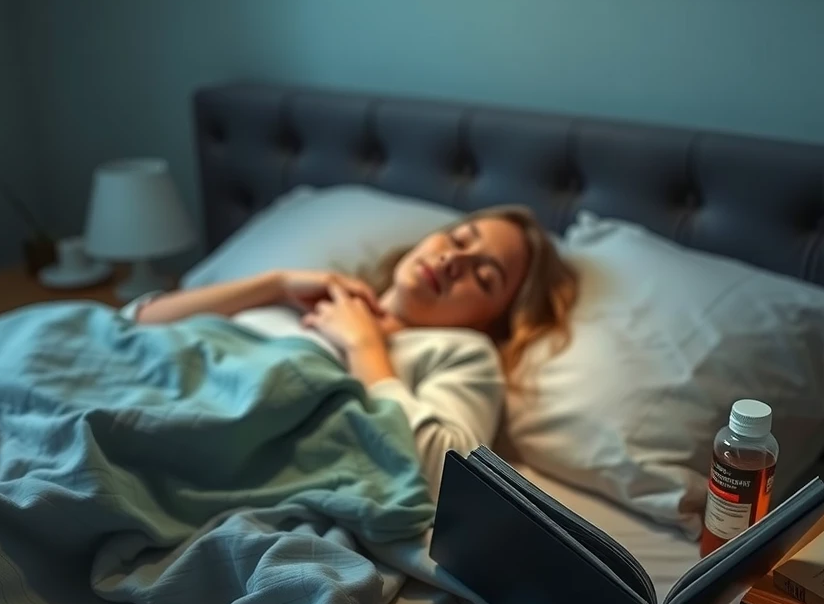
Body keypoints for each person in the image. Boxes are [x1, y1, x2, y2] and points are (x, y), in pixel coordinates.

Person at [122, 204, 579, 498]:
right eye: (458, 240)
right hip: (138, 373)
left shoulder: (461, 353)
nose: (452, 261)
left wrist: (365, 348)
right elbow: (135, 321)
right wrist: (274, 283)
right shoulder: (317, 292)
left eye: (484, 277)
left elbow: (450, 474)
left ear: (490, 319)